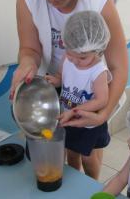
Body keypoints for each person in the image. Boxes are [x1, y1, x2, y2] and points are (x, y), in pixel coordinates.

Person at [9, 0, 128, 177]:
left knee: (89, 150)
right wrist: (27, 65)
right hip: (55, 82)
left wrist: (102, 114)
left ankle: (89, 186)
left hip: (89, 86)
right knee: (51, 144)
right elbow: (30, 50)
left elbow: (119, 67)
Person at [45, 10, 112, 179]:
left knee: (88, 157)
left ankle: (92, 182)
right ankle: (77, 180)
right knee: (72, 152)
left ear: (98, 51)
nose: (74, 60)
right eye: (70, 54)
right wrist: (55, 81)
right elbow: (62, 77)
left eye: (82, 58)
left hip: (89, 123)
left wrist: (76, 110)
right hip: (69, 119)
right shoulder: (68, 59)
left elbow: (102, 100)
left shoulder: (98, 71)